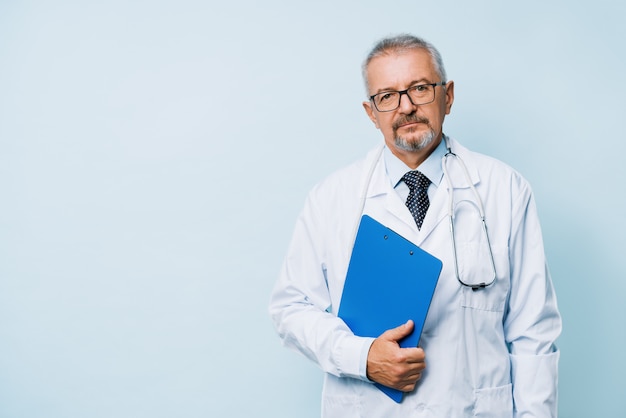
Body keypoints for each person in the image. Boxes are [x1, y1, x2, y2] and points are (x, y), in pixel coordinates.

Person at [268, 34, 561, 417]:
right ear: (371, 113)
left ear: (448, 96)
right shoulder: (331, 199)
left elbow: (533, 332)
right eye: (387, 96)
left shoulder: (505, 189)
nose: (406, 107)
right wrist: (362, 356)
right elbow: (290, 309)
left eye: (420, 88)